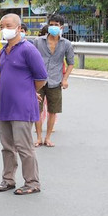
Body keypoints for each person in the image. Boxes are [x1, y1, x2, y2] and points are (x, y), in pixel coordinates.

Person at [0, 13, 48, 195]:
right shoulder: (3, 50)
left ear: (18, 28)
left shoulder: (28, 50)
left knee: (24, 147)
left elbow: (41, 78)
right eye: (2, 26)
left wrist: (29, 91)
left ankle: (32, 182)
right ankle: (8, 179)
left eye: (8, 25)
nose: (4, 29)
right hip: (5, 107)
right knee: (7, 147)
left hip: (23, 107)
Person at [32, 13, 75, 148]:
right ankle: (38, 137)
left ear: (61, 27)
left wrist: (65, 79)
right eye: (51, 25)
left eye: (56, 25)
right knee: (37, 110)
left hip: (55, 81)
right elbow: (30, 60)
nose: (53, 27)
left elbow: (71, 63)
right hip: (38, 81)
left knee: (53, 111)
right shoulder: (38, 42)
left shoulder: (66, 44)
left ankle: (48, 137)